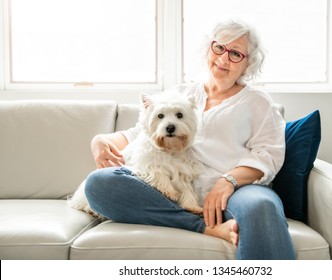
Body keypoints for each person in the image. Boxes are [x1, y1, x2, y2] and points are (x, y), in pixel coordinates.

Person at [84, 19, 295, 260]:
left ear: (248, 63)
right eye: (219, 47)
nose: (224, 58)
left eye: (235, 53)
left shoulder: (258, 102)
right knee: (98, 183)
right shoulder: (182, 92)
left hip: (237, 191)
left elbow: (269, 155)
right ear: (209, 49)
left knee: (262, 207)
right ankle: (203, 226)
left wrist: (227, 181)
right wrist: (100, 140)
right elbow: (143, 133)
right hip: (176, 192)